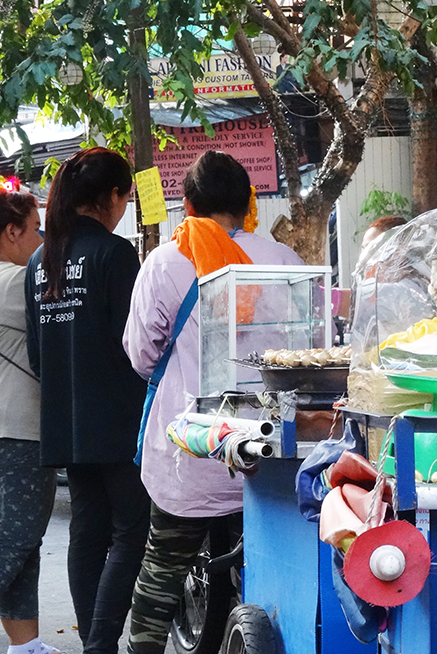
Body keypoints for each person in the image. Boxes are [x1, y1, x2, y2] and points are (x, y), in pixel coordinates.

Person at [123, 151, 302, 654]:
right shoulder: (283, 259)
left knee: (161, 572)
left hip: (193, 451)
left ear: (187, 204)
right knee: (267, 573)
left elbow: (140, 354)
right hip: (267, 455)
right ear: (249, 202)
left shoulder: (166, 262)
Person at [23, 148, 150, 654]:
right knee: (131, 531)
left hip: (65, 419)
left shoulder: (40, 260)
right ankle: (99, 645)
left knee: (88, 531)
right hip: (117, 417)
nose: (124, 209)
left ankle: (95, 645)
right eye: (125, 198)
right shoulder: (115, 254)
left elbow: (38, 353)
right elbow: (136, 345)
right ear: (109, 197)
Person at [0, 191, 60, 654]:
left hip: (16, 428)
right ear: (12, 232)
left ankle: (26, 646)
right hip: (16, 431)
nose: (43, 237)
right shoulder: (14, 284)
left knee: (21, 546)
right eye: (37, 228)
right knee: (16, 540)